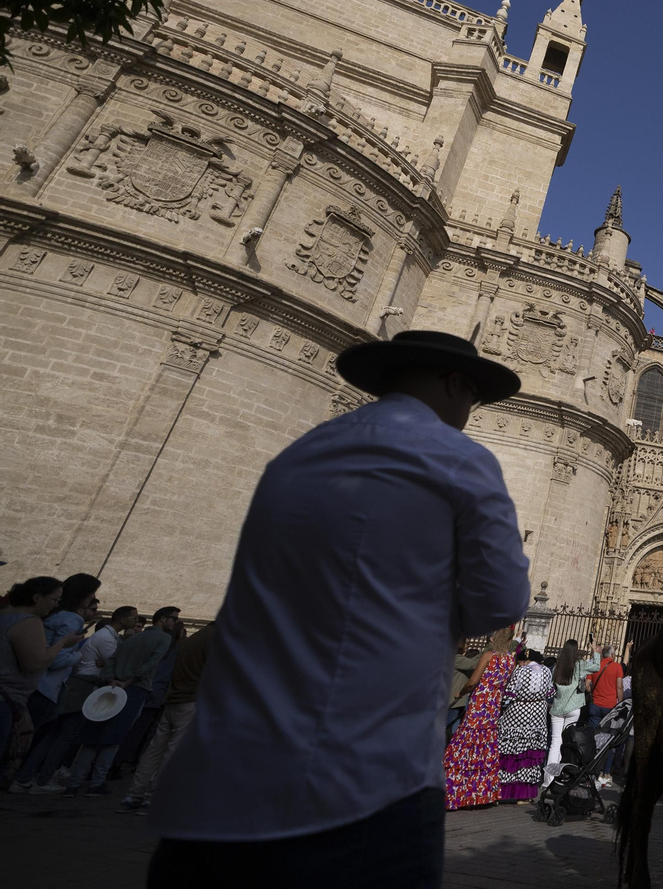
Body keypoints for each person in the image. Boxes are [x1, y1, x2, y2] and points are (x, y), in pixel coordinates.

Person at [148, 331, 529, 888]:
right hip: (361, 783)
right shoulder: (457, 458)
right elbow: (500, 602)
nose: (471, 411)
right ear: (455, 384)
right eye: (474, 396)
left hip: (217, 781)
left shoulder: (298, 456)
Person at [12, 604, 140, 794]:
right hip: (83, 687)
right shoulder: (106, 638)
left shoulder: (109, 636)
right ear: (123, 619)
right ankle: (42, 780)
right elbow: (119, 665)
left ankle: (25, 778)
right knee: (64, 736)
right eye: (134, 618)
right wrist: (113, 659)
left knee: (55, 735)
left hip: (80, 686)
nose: (136, 621)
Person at [63, 605, 179, 796]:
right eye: (173, 619)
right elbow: (150, 665)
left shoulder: (133, 637)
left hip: (112, 685)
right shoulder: (164, 638)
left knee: (93, 736)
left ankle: (74, 784)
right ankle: (96, 783)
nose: (175, 623)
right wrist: (128, 681)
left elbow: (113, 659)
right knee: (114, 738)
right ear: (163, 619)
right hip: (133, 689)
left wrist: (111, 679)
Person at [118, 621, 216, 814]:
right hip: (191, 701)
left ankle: (134, 794)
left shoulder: (196, 637)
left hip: (175, 699)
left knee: (155, 750)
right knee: (173, 752)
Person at [1, 578, 86, 761]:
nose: (56, 604)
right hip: (7, 699)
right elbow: (36, 664)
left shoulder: (6, 615)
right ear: (38, 597)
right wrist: (63, 643)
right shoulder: (29, 621)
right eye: (54, 599)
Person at [442, 631, 516, 809]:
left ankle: (455, 793)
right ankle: (480, 794)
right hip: (493, 707)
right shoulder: (510, 660)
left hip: (480, 704)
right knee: (484, 748)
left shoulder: (489, 655)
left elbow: (473, 681)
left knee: (464, 745)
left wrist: (460, 693)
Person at [496, 648, 554, 803]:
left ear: (524, 661)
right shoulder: (546, 671)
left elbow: (509, 695)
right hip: (537, 716)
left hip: (518, 713)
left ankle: (502, 791)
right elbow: (551, 694)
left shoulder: (521, 671)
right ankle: (524, 795)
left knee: (511, 752)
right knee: (530, 753)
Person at [584, 644, 624, 788]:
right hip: (610, 707)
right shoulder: (617, 667)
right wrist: (620, 704)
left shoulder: (595, 666)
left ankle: (591, 768)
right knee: (608, 740)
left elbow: (587, 686)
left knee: (593, 738)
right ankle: (605, 772)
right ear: (612, 655)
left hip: (595, 705)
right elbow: (619, 687)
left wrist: (595, 692)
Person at [544, 640, 584, 787]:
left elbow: (551, 688)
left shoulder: (556, 668)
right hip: (573, 708)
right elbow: (582, 688)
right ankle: (561, 776)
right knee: (567, 742)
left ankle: (548, 779)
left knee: (555, 742)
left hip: (558, 708)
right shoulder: (579, 667)